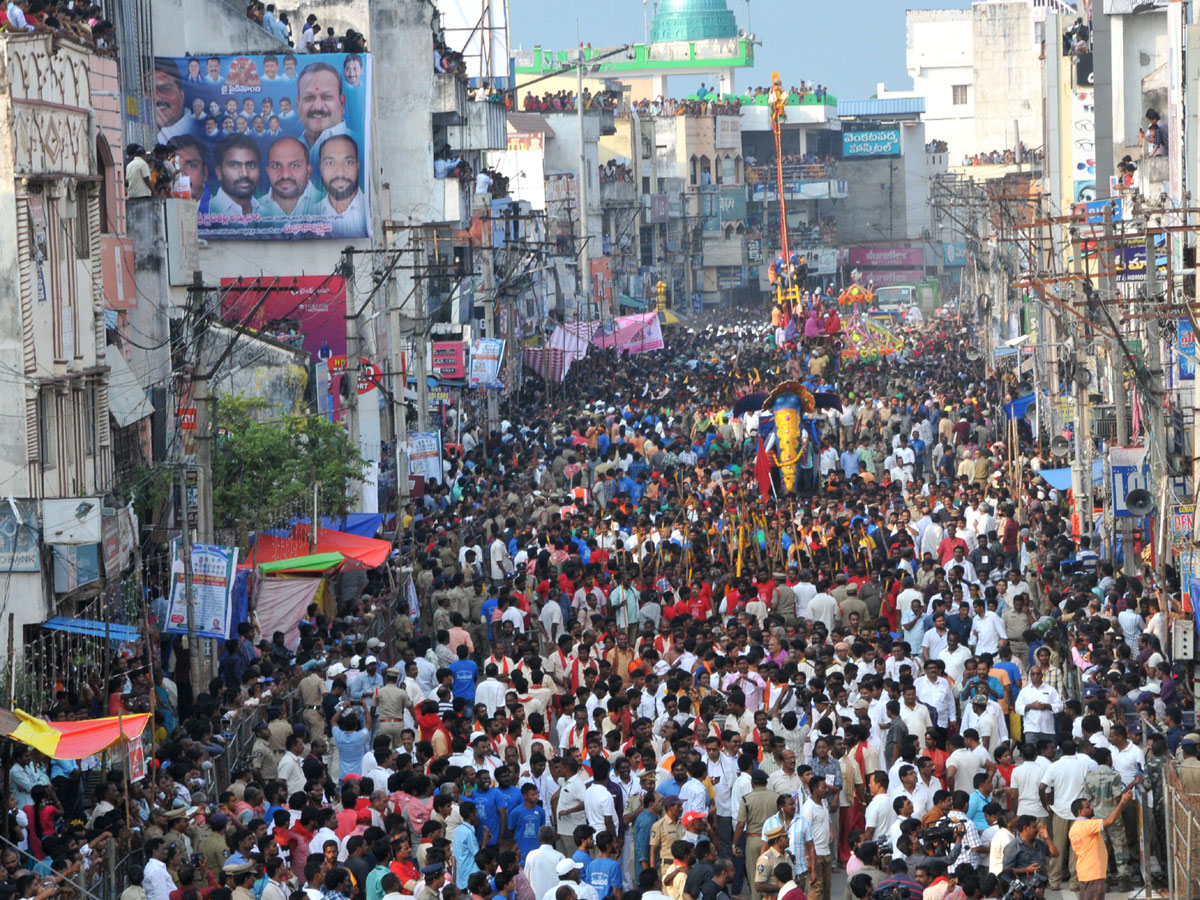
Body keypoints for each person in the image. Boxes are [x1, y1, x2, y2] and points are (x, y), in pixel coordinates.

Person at [1069, 788, 1134, 900]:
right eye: (1088, 807)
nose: (1091, 808)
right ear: (1080, 811)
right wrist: (1122, 802)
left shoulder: (1073, 828)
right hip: (1094, 875)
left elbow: (1076, 854)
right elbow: (1109, 821)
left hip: (1084, 875)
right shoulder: (1087, 825)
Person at [316, 134, 368, 236]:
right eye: (330, 163)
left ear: (357, 167)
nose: (340, 172)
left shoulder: (371, 212)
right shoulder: (311, 213)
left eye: (348, 162)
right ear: (321, 168)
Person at [259, 136, 319, 217]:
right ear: (268, 171)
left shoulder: (324, 202)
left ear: (308, 171)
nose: (285, 175)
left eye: (295, 165)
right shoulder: (255, 208)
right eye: (276, 166)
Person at [206, 134, 261, 216]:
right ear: (219, 172)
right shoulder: (205, 212)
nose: (244, 174)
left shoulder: (269, 214)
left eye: (251, 165)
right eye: (234, 165)